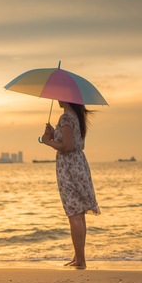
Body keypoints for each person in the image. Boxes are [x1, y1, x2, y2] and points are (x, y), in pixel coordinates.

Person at [41, 101, 100, 269]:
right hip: (78, 165)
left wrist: (47, 141)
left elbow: (67, 146)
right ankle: (78, 256)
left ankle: (80, 259)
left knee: (74, 213)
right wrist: (54, 135)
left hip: (69, 168)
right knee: (78, 213)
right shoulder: (76, 117)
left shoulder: (66, 118)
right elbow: (69, 142)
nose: (58, 99)